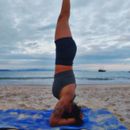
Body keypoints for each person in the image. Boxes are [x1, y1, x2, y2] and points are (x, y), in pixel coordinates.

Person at [50, 0, 83, 127]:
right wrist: (74, 120)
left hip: (65, 55)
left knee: (63, 17)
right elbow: (53, 122)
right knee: (63, 16)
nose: (58, 109)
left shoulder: (67, 99)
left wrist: (74, 119)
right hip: (65, 54)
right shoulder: (67, 98)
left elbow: (56, 119)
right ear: (68, 110)